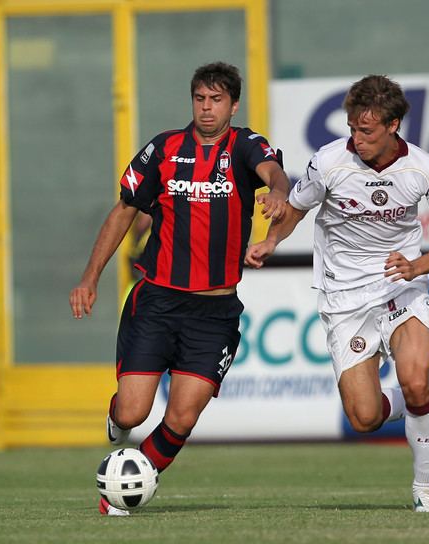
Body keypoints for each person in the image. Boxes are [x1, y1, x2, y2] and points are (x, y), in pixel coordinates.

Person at [69, 62, 290, 516]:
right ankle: (116, 421)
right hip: (158, 302)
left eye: (216, 100)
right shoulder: (164, 148)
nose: (207, 109)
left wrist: (278, 192)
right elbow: (124, 211)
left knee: (182, 417)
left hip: (215, 312)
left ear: (233, 104)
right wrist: (90, 277)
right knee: (132, 414)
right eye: (200, 99)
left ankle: (122, 490)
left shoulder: (246, 145)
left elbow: (274, 173)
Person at [245, 74, 429, 512]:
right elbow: (294, 208)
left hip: (401, 288)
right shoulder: (329, 162)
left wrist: (417, 266)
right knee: (365, 417)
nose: (356, 139)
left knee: (414, 381)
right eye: (352, 128)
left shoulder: (422, 169)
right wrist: (270, 241)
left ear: (393, 126)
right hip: (344, 298)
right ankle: (421, 405)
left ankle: (425, 492)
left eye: (365, 131)